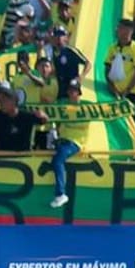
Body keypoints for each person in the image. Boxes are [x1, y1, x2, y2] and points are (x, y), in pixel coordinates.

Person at [50, 80, 90, 209]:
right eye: (70, 90)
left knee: (57, 161)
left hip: (75, 142)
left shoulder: (86, 108)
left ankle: (61, 194)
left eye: (75, 90)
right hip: (62, 140)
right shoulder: (62, 105)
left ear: (79, 93)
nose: (72, 93)